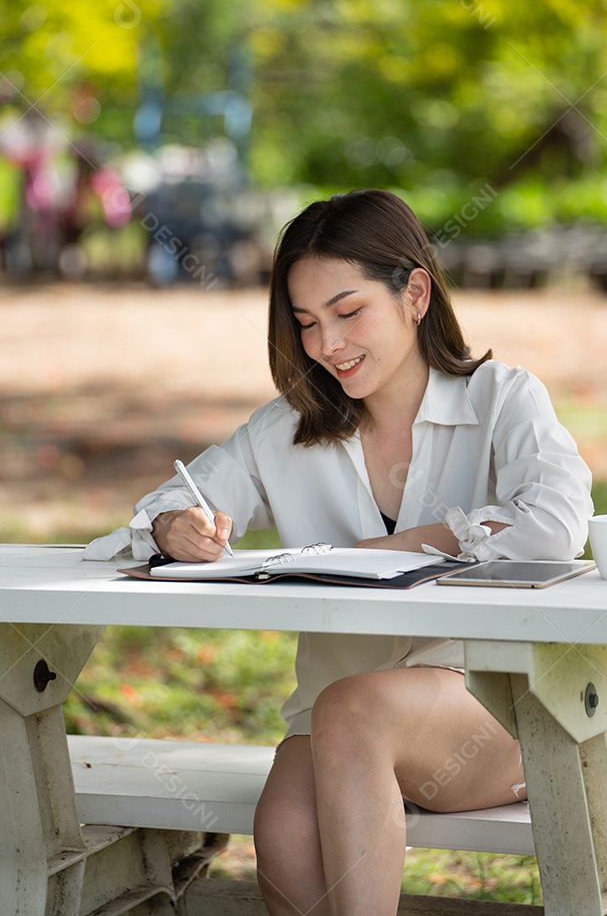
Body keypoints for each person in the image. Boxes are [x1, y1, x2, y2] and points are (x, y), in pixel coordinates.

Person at [134, 188, 593, 916]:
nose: (326, 345)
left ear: (414, 292)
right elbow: (159, 509)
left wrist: (416, 541)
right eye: (306, 322)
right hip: (331, 728)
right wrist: (172, 530)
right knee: (285, 835)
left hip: (496, 721)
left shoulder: (501, 399)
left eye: (348, 312)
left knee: (354, 709)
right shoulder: (282, 430)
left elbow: (557, 522)